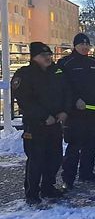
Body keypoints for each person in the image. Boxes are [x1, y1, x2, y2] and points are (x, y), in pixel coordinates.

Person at [11, 42, 71, 205]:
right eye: (44, 56)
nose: (48, 58)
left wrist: (65, 111)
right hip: (36, 125)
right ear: (34, 57)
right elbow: (25, 100)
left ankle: (48, 187)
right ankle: (32, 192)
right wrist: (44, 116)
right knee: (36, 159)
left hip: (55, 123)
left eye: (49, 55)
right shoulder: (25, 74)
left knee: (55, 158)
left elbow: (67, 92)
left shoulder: (56, 72)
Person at [58, 33, 95, 188]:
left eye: (87, 44)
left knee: (91, 145)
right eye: (81, 44)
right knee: (74, 146)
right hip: (75, 114)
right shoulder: (66, 63)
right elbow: (63, 87)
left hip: (93, 112)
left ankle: (87, 173)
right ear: (75, 46)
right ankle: (68, 178)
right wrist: (75, 100)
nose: (85, 47)